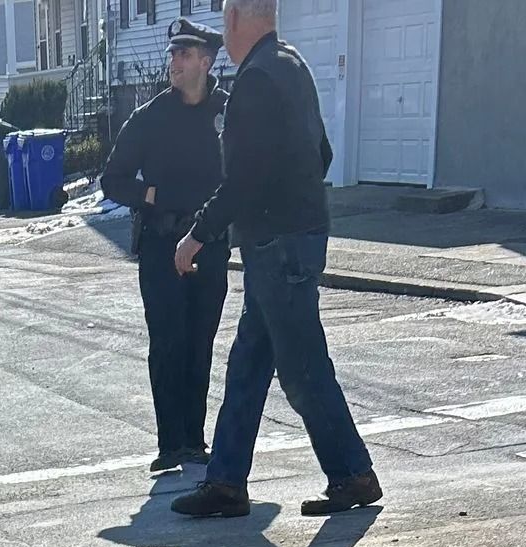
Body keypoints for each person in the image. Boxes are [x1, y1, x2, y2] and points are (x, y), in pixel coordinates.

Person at [170, 0, 381, 519]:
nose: (225, 30)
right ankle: (226, 482)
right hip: (292, 235)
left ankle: (352, 472)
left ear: (240, 17)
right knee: (248, 362)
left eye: (225, 20)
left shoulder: (258, 79)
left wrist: (197, 234)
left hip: (278, 242)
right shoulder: (291, 65)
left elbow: (244, 179)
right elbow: (321, 153)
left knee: (303, 366)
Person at [99, 19, 230, 476]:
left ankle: (194, 440)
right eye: (172, 53)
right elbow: (112, 179)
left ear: (206, 62)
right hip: (160, 245)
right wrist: (149, 196)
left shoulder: (226, 113)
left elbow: (243, 176)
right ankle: (170, 443)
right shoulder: (150, 117)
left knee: (200, 344)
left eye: (184, 54)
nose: (173, 62)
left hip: (209, 245)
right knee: (168, 343)